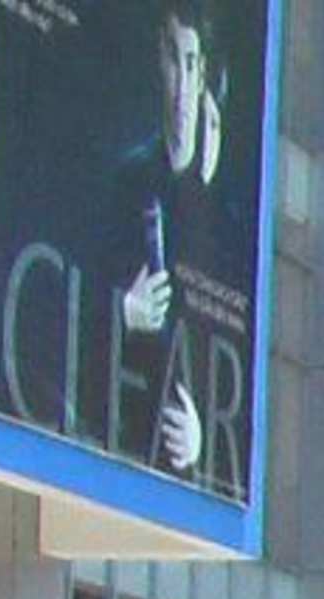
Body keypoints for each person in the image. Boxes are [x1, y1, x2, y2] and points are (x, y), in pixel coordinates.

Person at [113, 0, 246, 482]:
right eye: (173, 58)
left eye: (192, 63)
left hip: (181, 470)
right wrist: (124, 313)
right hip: (117, 445)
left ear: (204, 73)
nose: (183, 86)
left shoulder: (225, 218)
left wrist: (201, 443)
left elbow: (238, 363)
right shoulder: (125, 181)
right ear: (158, 61)